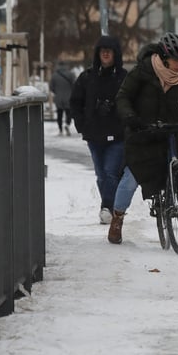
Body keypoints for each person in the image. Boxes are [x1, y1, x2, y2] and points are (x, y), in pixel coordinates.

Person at [113, 32, 178, 244]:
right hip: (143, 132)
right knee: (132, 178)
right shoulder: (142, 72)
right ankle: (117, 219)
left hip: (173, 131)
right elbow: (123, 97)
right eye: (176, 60)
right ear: (163, 57)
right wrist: (131, 117)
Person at [70, 35, 129, 226]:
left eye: (109, 50)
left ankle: (107, 207)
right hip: (94, 135)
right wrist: (82, 124)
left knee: (111, 172)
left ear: (115, 54)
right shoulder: (87, 78)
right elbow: (75, 102)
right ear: (97, 53)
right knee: (102, 175)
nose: (105, 54)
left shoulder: (124, 78)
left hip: (118, 135)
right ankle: (110, 206)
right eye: (102, 50)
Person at [49, 61, 75, 136]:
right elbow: (75, 85)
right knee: (69, 113)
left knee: (59, 114)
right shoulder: (71, 74)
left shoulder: (54, 75)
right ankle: (67, 124)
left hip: (59, 98)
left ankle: (60, 130)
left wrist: (57, 92)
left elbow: (51, 87)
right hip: (69, 97)